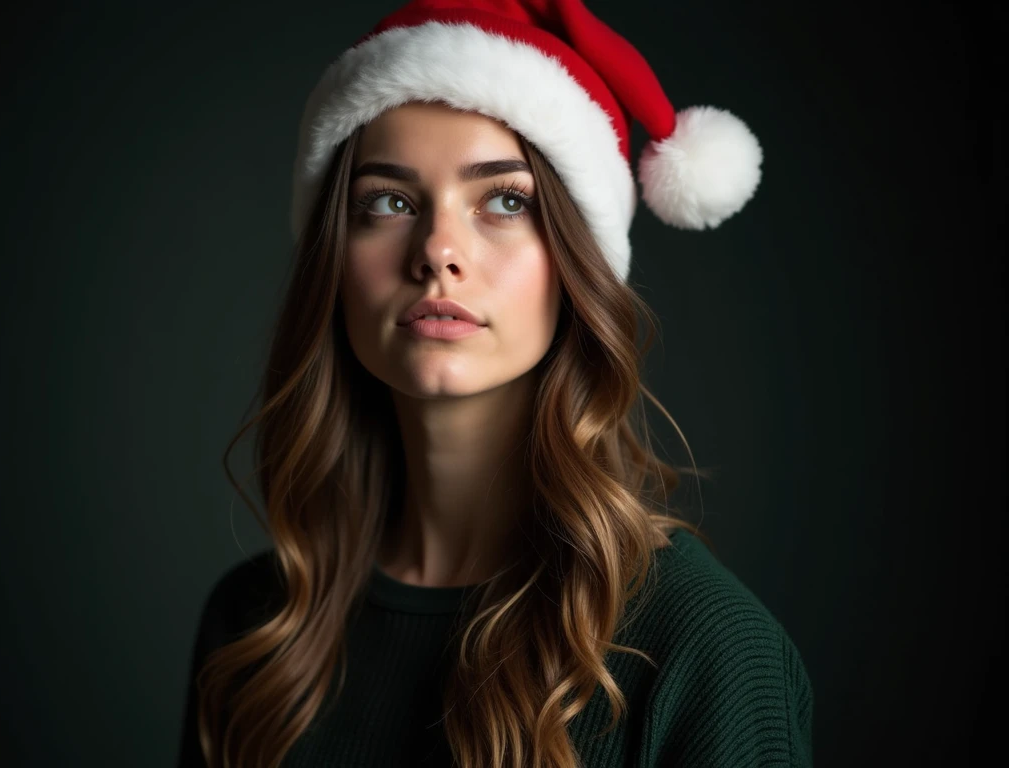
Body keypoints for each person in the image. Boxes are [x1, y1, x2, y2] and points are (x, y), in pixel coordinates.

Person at [176, 1, 813, 766]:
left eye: (506, 201)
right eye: (389, 201)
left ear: (577, 264)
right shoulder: (256, 627)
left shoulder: (701, 648)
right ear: (334, 261)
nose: (438, 250)